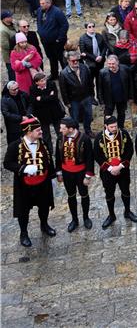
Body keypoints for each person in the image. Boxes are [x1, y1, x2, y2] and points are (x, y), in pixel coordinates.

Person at [4, 117, 57, 247]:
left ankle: (44, 225)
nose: (41, 132)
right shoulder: (14, 146)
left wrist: (52, 176)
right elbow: (7, 163)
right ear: (28, 132)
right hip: (24, 185)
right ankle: (23, 233)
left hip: (42, 183)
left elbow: (49, 160)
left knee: (44, 206)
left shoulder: (43, 143)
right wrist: (23, 168)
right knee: (23, 211)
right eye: (38, 130)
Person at [93, 115, 137, 229]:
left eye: (116, 126)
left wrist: (120, 166)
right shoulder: (99, 137)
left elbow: (129, 150)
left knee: (126, 191)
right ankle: (111, 215)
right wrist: (110, 169)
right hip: (107, 172)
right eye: (112, 127)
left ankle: (128, 211)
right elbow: (98, 155)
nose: (114, 128)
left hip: (122, 170)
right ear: (106, 126)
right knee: (109, 194)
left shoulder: (123, 134)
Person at [55, 117, 95, 232]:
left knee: (84, 195)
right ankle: (74, 219)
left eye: (62, 128)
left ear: (71, 129)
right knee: (71, 196)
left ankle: (86, 217)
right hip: (67, 173)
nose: (60, 130)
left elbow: (89, 158)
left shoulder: (84, 139)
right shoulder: (60, 138)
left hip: (81, 173)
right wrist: (59, 172)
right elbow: (58, 156)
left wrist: (88, 175)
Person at [30, 71, 65, 153]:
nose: (44, 82)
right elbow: (34, 102)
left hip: (55, 113)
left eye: (44, 80)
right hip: (42, 115)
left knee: (59, 132)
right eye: (41, 81)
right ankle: (49, 150)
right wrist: (49, 97)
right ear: (37, 82)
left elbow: (55, 98)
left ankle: (62, 148)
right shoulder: (33, 88)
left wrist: (41, 99)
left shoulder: (51, 84)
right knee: (46, 135)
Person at [36, 0, 69, 81]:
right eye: (40, 3)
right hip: (46, 41)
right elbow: (39, 22)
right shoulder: (40, 11)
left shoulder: (57, 12)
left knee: (61, 58)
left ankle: (66, 76)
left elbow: (65, 25)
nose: (41, 5)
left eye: (43, 3)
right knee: (51, 58)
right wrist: (40, 32)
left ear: (49, 3)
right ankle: (54, 74)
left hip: (57, 42)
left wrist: (60, 38)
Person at [97, 55, 131, 128]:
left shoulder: (125, 69)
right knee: (107, 116)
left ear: (117, 62)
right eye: (109, 64)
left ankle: (120, 128)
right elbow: (99, 88)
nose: (111, 66)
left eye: (113, 64)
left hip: (122, 98)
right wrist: (101, 101)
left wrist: (130, 96)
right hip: (109, 99)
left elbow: (130, 84)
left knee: (121, 114)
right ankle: (107, 129)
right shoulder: (102, 72)